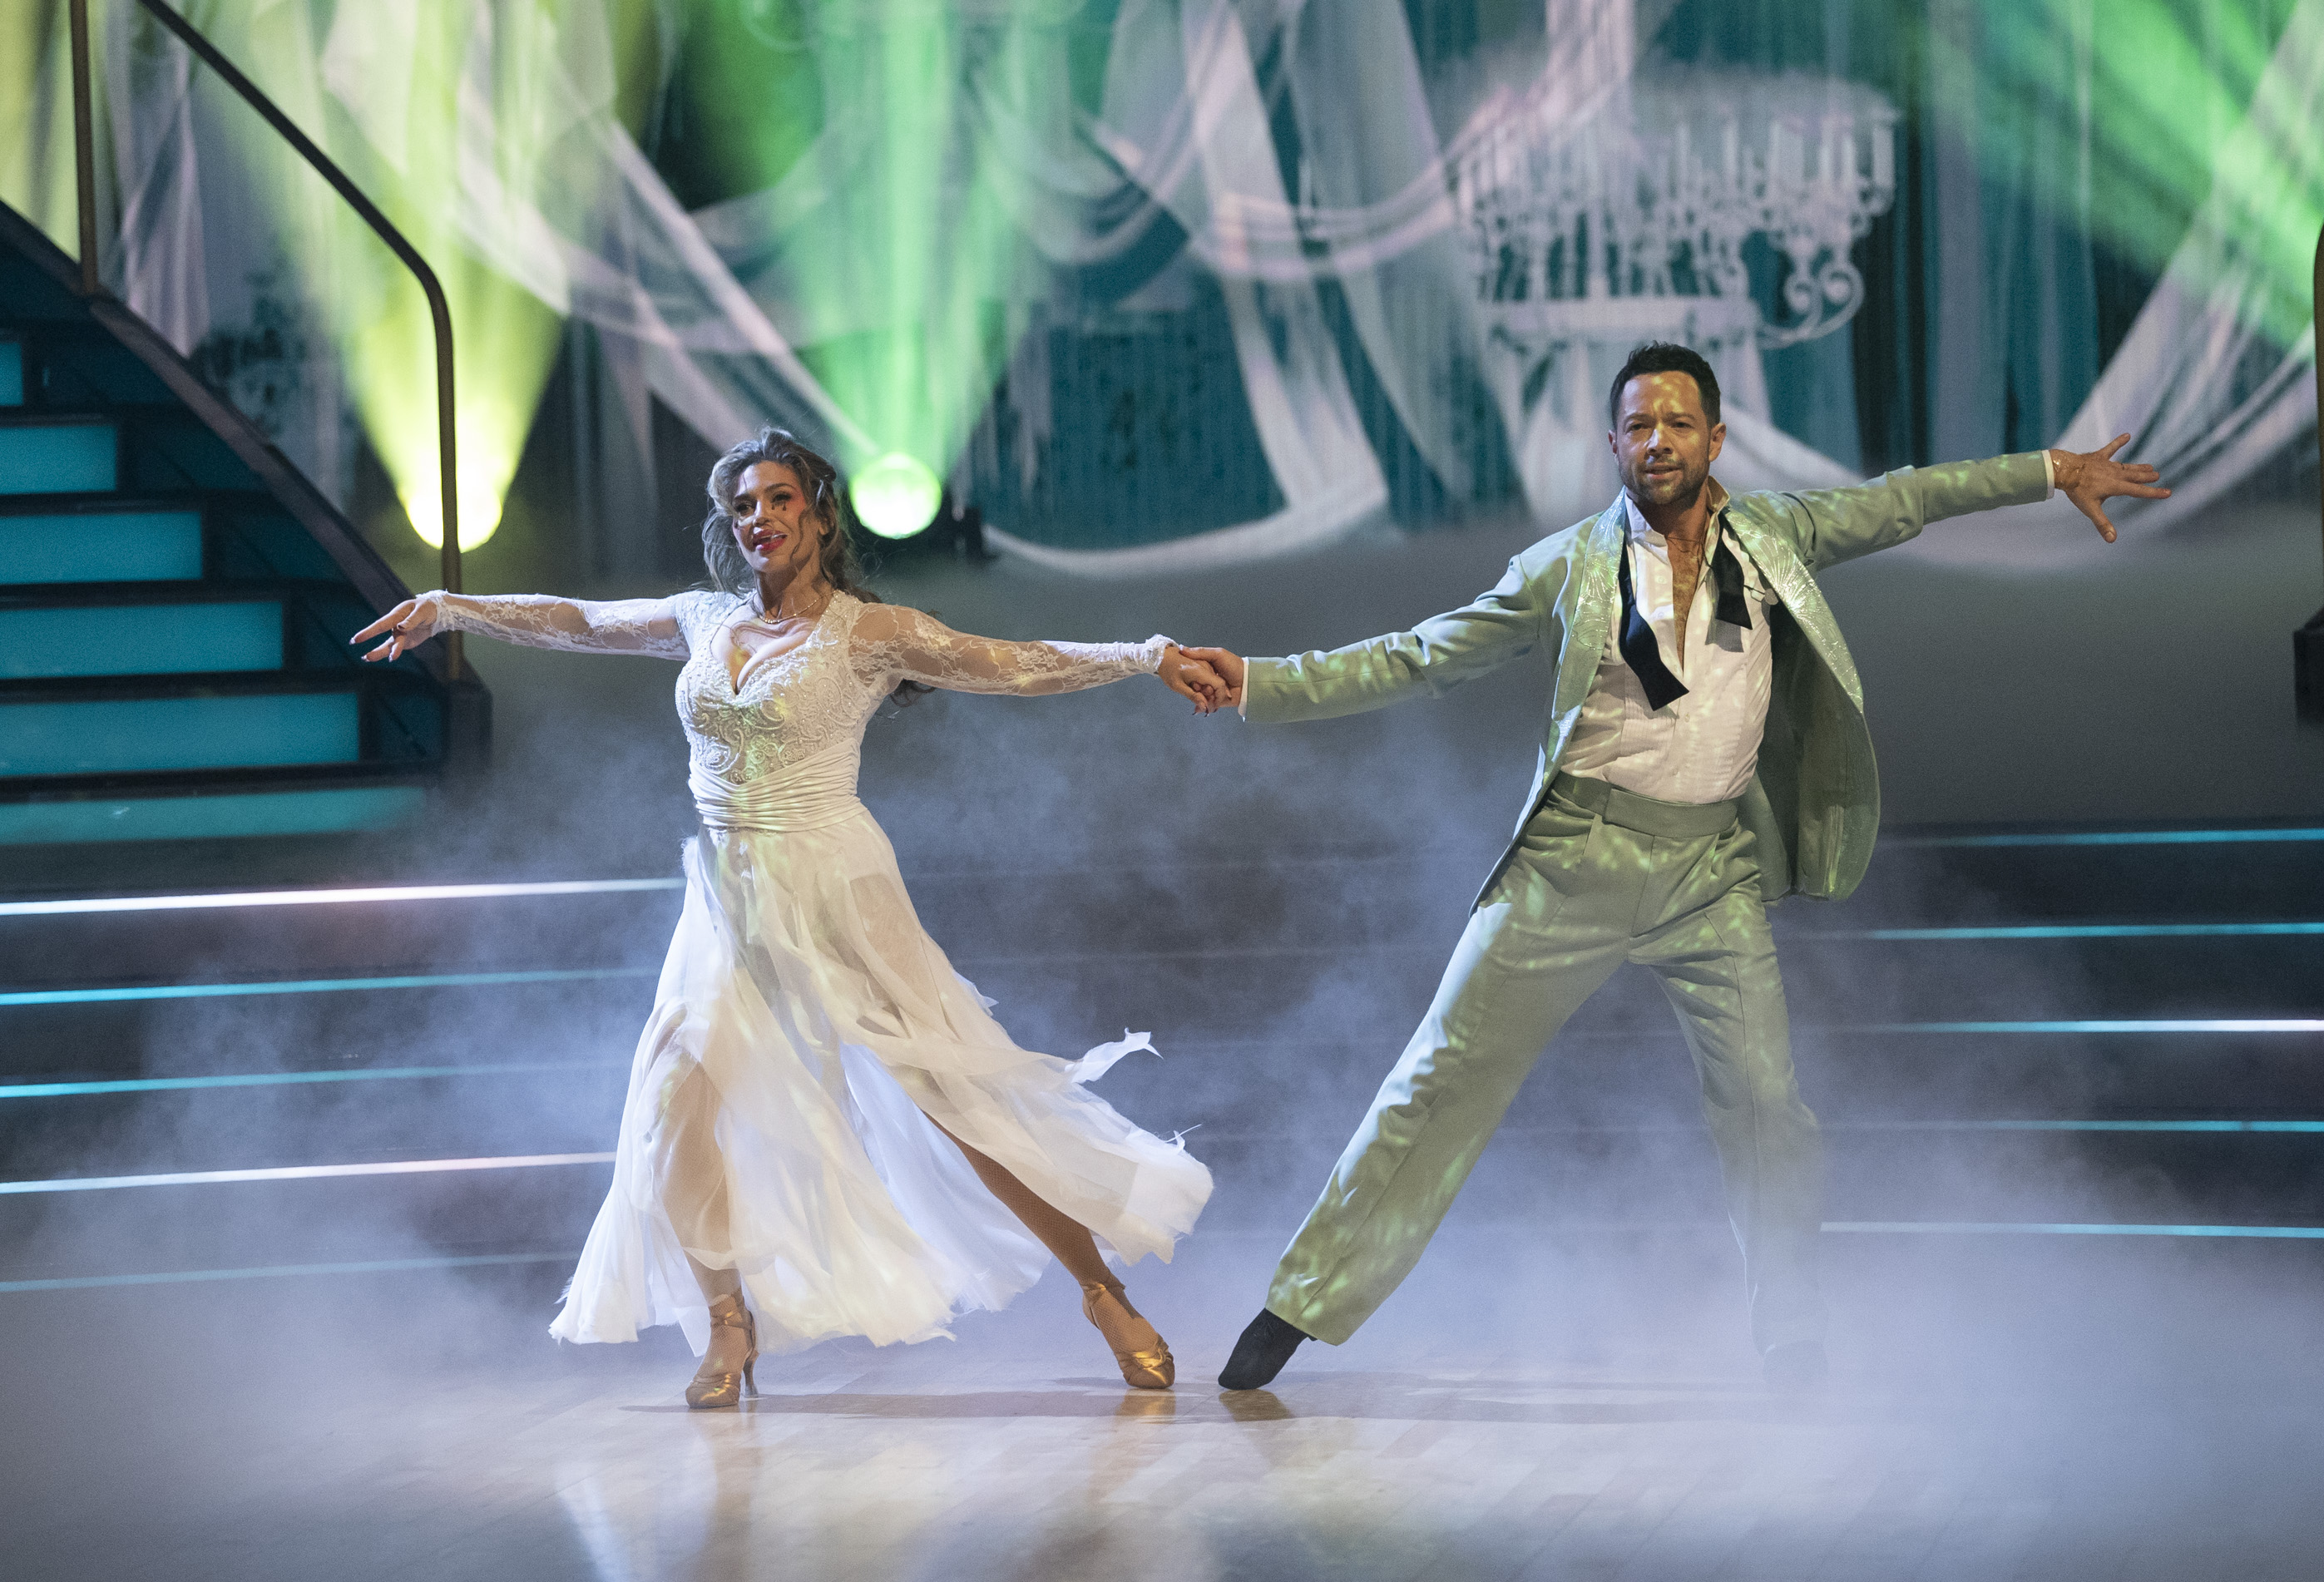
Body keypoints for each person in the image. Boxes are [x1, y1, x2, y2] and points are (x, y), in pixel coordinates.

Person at [1183, 341, 2169, 1392]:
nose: (1658, 442)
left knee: (1767, 1106)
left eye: (1677, 423)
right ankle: (1300, 1303)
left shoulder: (1776, 536)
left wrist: (2049, 471)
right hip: (1571, 865)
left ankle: (1792, 1332)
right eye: (1638, 426)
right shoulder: (1566, 565)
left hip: (1712, 873)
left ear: (1715, 437)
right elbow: (1423, 654)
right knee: (1437, 1080)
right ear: (1613, 443)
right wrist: (1263, 684)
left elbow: (1903, 500)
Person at [354, 428, 1230, 1404]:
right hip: (728, 896)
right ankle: (728, 1324)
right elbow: (583, 619)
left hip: (836, 884)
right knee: (668, 1107)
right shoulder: (702, 618)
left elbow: (1008, 661)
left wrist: (1146, 653)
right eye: (742, 506)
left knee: (956, 1103)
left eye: (777, 499)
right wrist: (451, 606)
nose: (759, 519)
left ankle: (1102, 1290)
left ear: (816, 510)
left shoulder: (868, 631)